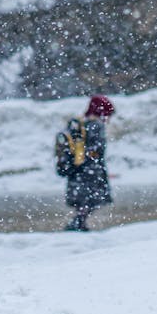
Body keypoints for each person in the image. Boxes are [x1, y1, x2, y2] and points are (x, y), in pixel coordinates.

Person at [60, 94, 114, 232]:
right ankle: (78, 224)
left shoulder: (80, 124)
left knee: (83, 201)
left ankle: (79, 224)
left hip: (77, 169)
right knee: (92, 200)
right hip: (91, 170)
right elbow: (98, 148)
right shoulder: (97, 125)